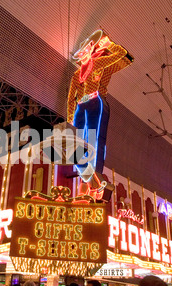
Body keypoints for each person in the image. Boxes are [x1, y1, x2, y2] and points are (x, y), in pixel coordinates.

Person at [67, 29, 133, 198]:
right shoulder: (75, 76)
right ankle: (89, 179)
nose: (82, 54)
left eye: (85, 50)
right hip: (80, 107)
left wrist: (108, 44)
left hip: (96, 102)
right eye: (80, 53)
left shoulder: (98, 63)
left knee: (95, 139)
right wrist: (69, 120)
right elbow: (69, 100)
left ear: (90, 50)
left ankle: (93, 177)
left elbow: (121, 53)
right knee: (76, 143)